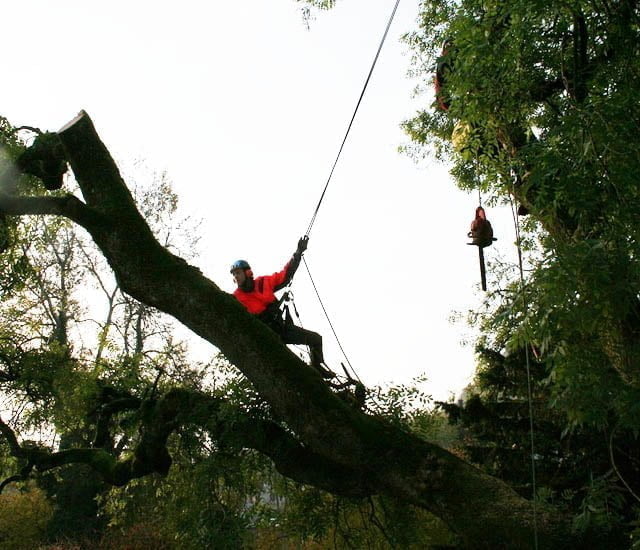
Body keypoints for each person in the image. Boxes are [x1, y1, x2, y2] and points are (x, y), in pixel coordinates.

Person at [230, 237, 333, 378]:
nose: (236, 277)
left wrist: (298, 252)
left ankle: (317, 366)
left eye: (238, 273)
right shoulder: (235, 298)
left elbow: (285, 274)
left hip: (282, 328)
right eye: (234, 274)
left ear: (248, 273)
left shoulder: (263, 282)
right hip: (266, 337)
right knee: (286, 369)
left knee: (315, 339)